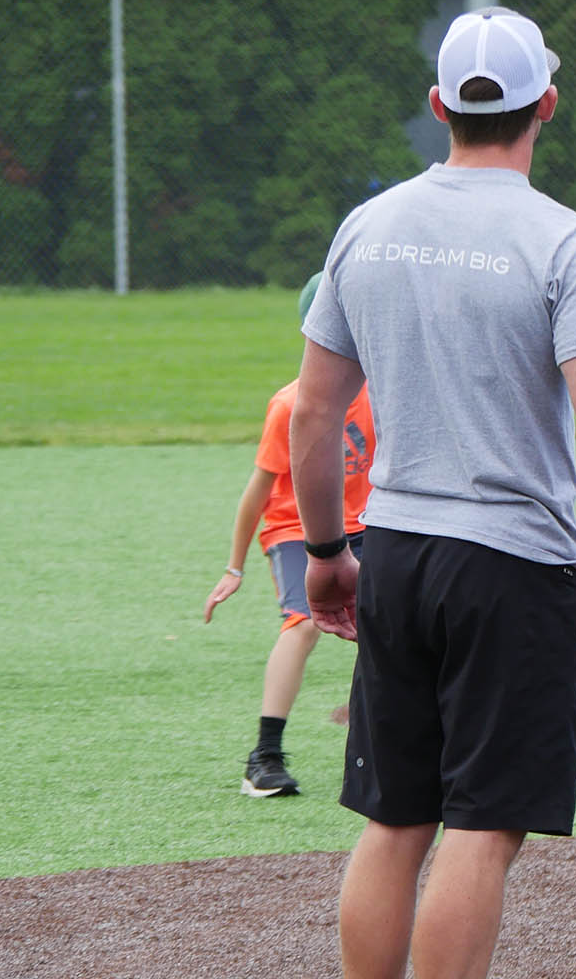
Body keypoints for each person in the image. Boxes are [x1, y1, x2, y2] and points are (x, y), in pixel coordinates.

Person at [292, 6, 576, 979]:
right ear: (546, 103)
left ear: (438, 107)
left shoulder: (367, 225)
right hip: (511, 566)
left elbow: (314, 411)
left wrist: (330, 553)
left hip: (398, 552)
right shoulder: (567, 241)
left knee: (396, 817)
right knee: (484, 821)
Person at [203, 272, 374, 799]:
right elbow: (257, 492)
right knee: (302, 624)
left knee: (393, 627)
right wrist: (235, 567)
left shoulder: (386, 393)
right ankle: (265, 756)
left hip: (367, 523)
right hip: (295, 527)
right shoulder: (291, 404)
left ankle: (387, 751)